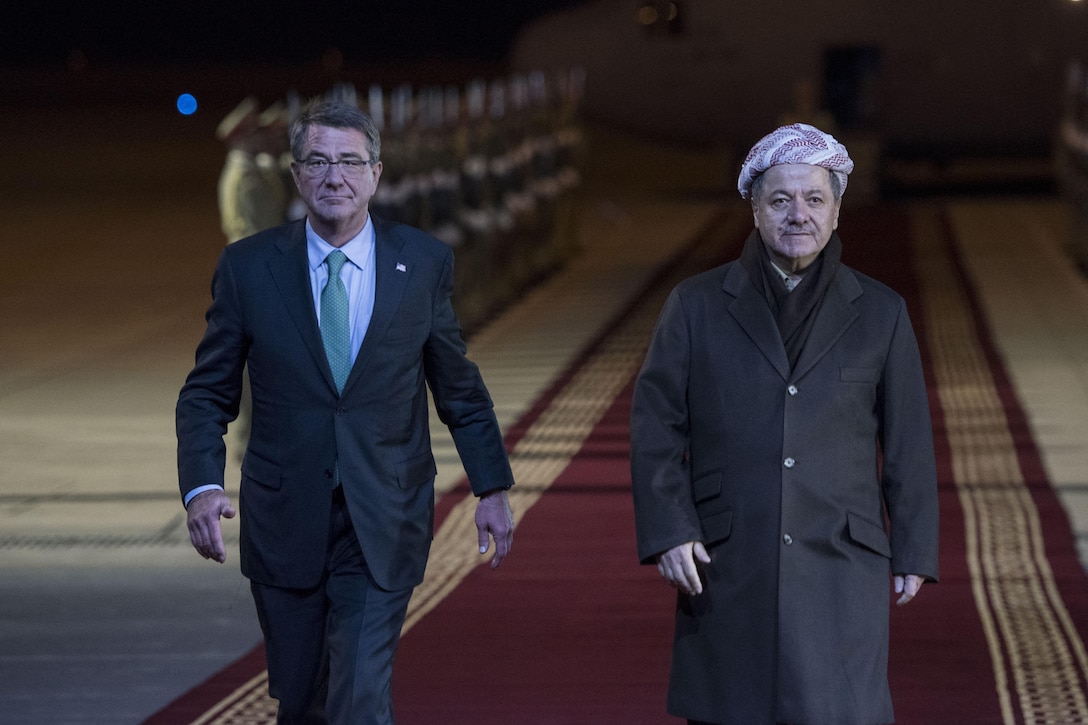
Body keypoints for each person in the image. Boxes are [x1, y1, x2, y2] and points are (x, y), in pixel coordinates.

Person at [177, 100, 516, 725]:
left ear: (377, 173)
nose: (335, 176)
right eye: (319, 161)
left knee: (358, 697)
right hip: (285, 520)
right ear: (297, 174)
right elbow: (206, 392)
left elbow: (458, 387)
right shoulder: (250, 269)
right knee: (303, 701)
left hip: (384, 514)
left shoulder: (423, 264)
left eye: (350, 162)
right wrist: (201, 485)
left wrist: (491, 486)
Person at [630, 123, 939, 725]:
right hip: (725, 561)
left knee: (838, 710)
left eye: (814, 199)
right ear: (753, 208)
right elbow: (656, 428)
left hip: (843, 561)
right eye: (780, 199)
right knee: (731, 709)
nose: (799, 214)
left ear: (838, 210)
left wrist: (914, 549)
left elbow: (909, 443)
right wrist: (668, 529)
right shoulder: (695, 306)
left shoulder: (881, 312)